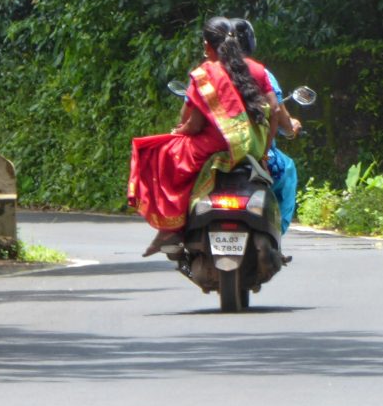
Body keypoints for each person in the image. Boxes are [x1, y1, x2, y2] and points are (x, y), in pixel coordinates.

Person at [128, 16, 281, 257]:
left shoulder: (205, 73)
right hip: (252, 147)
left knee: (157, 152)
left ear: (208, 46)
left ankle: (173, 225)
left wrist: (180, 131)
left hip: (214, 146)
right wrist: (264, 148)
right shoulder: (257, 69)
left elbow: (195, 124)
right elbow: (275, 110)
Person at [232, 18, 301, 234]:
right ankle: (276, 235)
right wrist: (290, 128)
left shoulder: (206, 73)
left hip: (212, 153)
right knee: (287, 169)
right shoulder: (261, 73)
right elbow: (277, 113)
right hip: (256, 154)